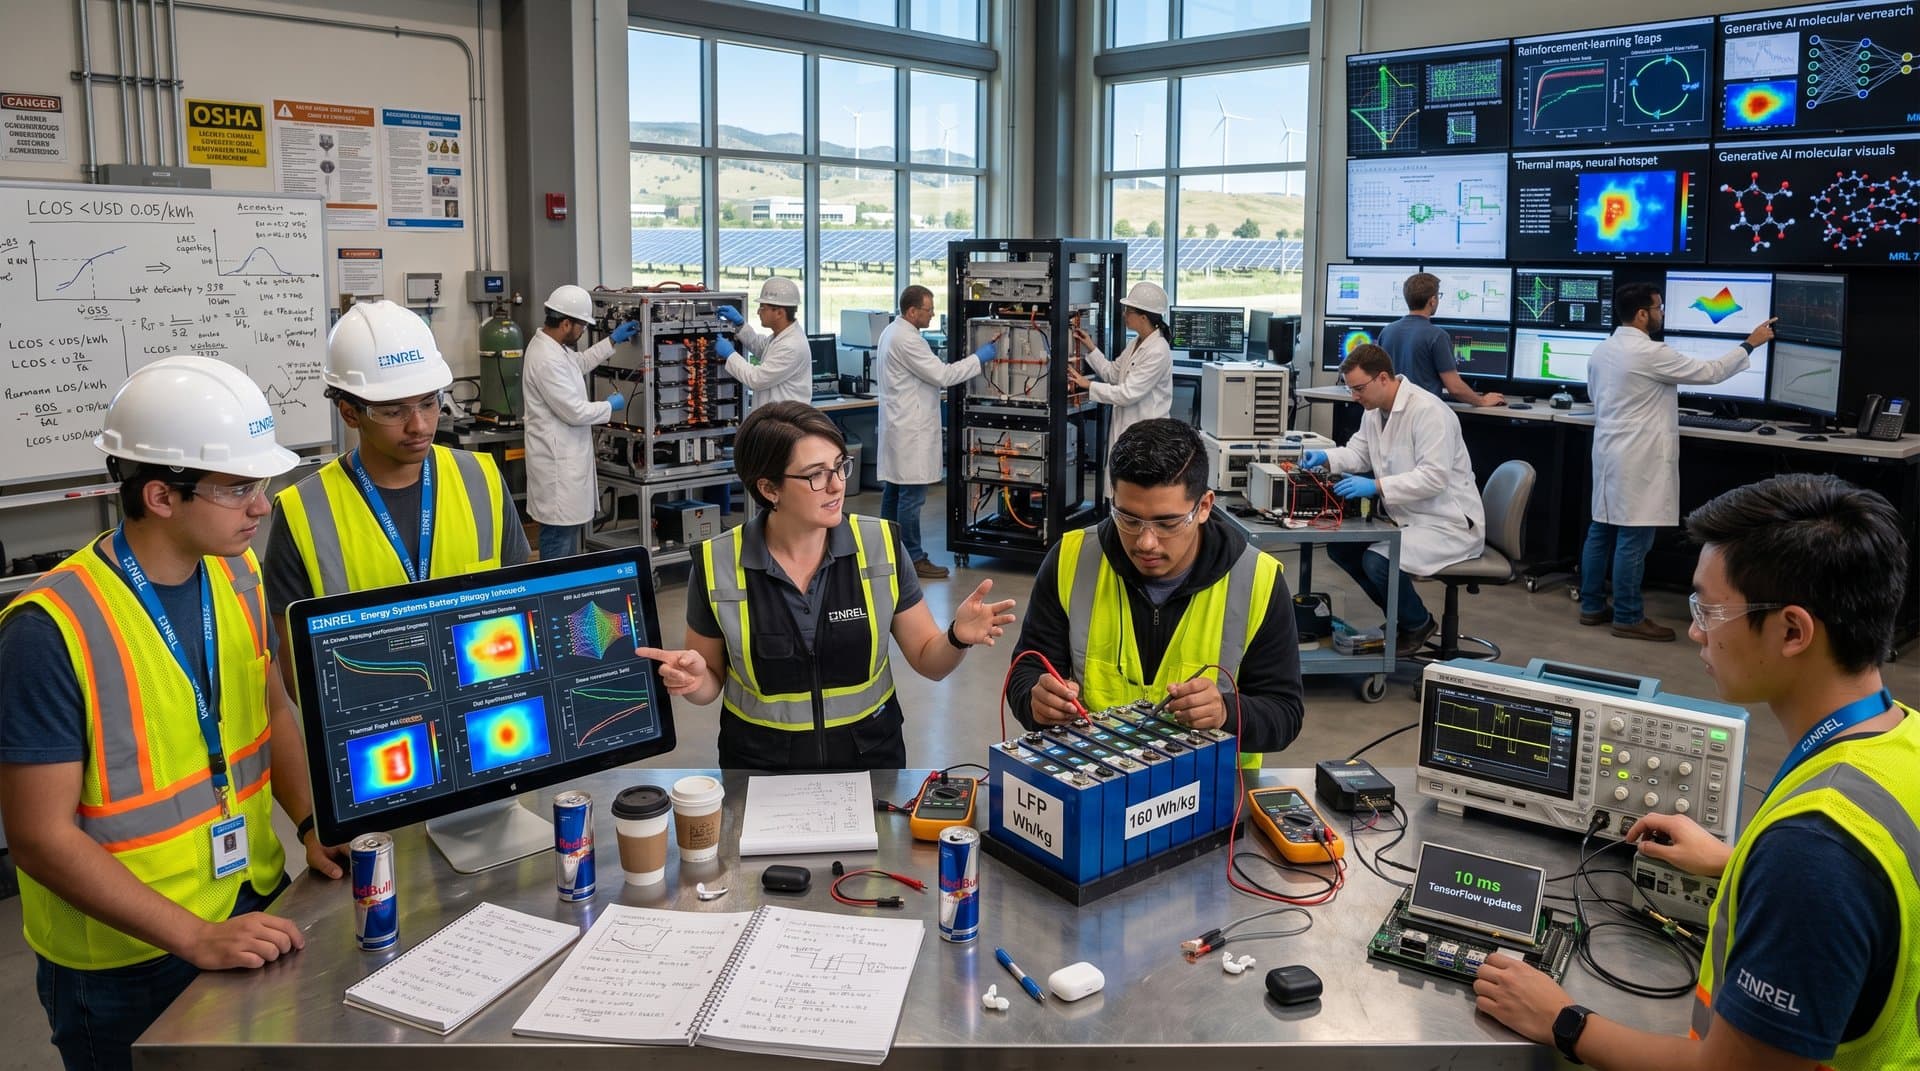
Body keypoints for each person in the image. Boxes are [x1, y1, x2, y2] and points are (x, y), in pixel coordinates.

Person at [1473, 473, 1914, 1071]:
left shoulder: (1813, 852)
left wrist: (1564, 1020)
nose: (1695, 630)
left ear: (1792, 631)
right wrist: (1739, 867)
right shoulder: (1898, 736)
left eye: (1710, 608)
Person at [0, 357, 349, 1071]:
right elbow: (37, 837)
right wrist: (191, 935)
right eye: (239, 487)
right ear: (160, 495)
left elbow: (271, 709)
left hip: (253, 900)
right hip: (126, 961)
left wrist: (313, 822)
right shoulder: (48, 631)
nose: (263, 506)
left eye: (265, 484)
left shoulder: (235, 571)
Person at [638, 402, 1016, 770]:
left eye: (840, 466)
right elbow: (711, 684)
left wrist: (956, 637)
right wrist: (694, 679)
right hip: (760, 768)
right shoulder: (717, 563)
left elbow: (928, 661)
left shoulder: (879, 545)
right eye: (816, 474)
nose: (837, 485)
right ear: (770, 489)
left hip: (869, 762)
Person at [1008, 419, 1305, 767]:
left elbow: (1285, 714)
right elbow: (1026, 670)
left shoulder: (1257, 580)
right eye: (1129, 520)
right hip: (1096, 781)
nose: (1146, 542)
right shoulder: (1071, 560)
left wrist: (1226, 711)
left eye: (1167, 524)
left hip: (1210, 793)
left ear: (1204, 507)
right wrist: (1036, 701)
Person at [267, 300, 529, 676]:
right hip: (373, 725)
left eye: (429, 403)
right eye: (393, 411)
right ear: (349, 412)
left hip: (486, 716)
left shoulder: (481, 480)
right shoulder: (302, 511)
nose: (419, 425)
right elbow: (298, 672)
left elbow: (521, 607)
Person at [1580, 283, 1776, 642]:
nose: (1661, 313)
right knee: (1633, 538)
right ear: (1642, 314)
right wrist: (1751, 342)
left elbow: (1597, 396)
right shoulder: (1651, 354)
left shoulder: (1602, 350)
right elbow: (1711, 372)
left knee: (1601, 529)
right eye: (1658, 307)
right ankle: (1627, 616)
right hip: (1639, 456)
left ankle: (1591, 607)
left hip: (1609, 451)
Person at [1301, 343, 1483, 653]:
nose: (1355, 397)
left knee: (1378, 561)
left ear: (1383, 378)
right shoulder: (1375, 412)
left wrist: (1376, 487)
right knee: (1340, 549)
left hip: (1448, 523)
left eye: (1359, 389)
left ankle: (1417, 624)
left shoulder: (1429, 412)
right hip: (1409, 520)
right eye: (1351, 390)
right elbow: (1359, 453)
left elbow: (1433, 478)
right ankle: (1402, 618)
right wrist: (1325, 458)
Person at [876, 284, 1002, 581]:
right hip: (911, 430)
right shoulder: (907, 341)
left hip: (901, 426)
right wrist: (980, 358)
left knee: (894, 492)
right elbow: (943, 375)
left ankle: (885, 550)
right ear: (911, 311)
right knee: (911, 497)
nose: (932, 315)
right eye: (928, 310)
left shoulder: (891, 333)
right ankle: (914, 557)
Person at [523, 283, 641, 561]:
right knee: (558, 539)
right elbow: (574, 412)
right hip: (556, 466)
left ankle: (565, 589)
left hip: (567, 460)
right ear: (566, 323)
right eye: (582, 326)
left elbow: (581, 362)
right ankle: (553, 591)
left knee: (567, 538)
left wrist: (612, 341)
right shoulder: (546, 359)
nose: (583, 331)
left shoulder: (555, 348)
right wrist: (608, 406)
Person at [1068, 280, 1173, 461]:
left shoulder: (1158, 350)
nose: (1124, 315)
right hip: (1127, 431)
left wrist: (1089, 386)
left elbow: (1127, 394)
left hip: (1146, 435)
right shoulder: (1136, 342)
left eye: (1129, 311)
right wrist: (1090, 348)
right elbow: (1113, 374)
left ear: (1144, 317)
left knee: (1138, 485)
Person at [1378, 271, 1504, 406]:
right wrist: (1483, 401)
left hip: (1393, 413)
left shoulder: (1387, 331)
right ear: (1432, 301)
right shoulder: (1437, 336)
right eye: (1438, 296)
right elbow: (1455, 388)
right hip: (1423, 415)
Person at [714, 276, 812, 410]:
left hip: (783, 423)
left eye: (763, 308)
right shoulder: (782, 336)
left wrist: (730, 354)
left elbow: (756, 379)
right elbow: (762, 348)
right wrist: (741, 325)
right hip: (774, 418)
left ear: (779, 313)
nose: (758, 312)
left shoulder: (792, 346)